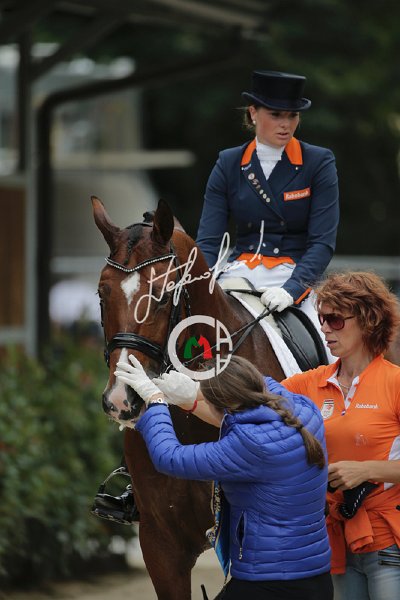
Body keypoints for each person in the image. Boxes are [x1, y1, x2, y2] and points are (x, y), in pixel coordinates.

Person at [149, 271, 400, 600]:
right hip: (328, 542)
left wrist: (366, 470)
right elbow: (245, 421)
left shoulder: (395, 384)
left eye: (335, 320)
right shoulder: (304, 383)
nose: (324, 328)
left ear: (369, 321)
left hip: (386, 542)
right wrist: (187, 399)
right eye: (322, 318)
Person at [114, 354, 333, 600]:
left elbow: (170, 458)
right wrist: (197, 391)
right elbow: (263, 383)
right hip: (317, 578)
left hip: (267, 583)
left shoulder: (248, 444)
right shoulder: (304, 408)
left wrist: (155, 401)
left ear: (220, 405)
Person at [196, 69, 339, 353]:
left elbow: (322, 243)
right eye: (275, 115)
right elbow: (209, 241)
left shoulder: (318, 162)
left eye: (292, 116)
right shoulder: (228, 162)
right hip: (238, 272)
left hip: (293, 275)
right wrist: (201, 283)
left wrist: (292, 289)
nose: (286, 124)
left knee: (330, 351)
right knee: (188, 338)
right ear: (253, 113)